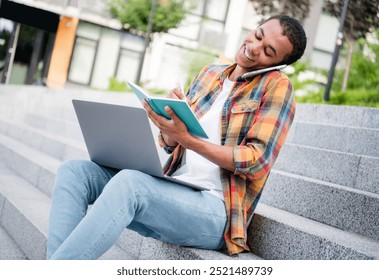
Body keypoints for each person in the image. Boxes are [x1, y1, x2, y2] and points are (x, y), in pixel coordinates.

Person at [46, 14, 307, 259]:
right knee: (74, 172)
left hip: (217, 211)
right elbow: (171, 144)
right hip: (176, 187)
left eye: (268, 51)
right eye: (258, 35)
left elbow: (256, 160)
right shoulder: (210, 74)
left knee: (130, 184)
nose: (255, 47)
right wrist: (168, 125)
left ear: (279, 64)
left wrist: (187, 139)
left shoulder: (277, 86)